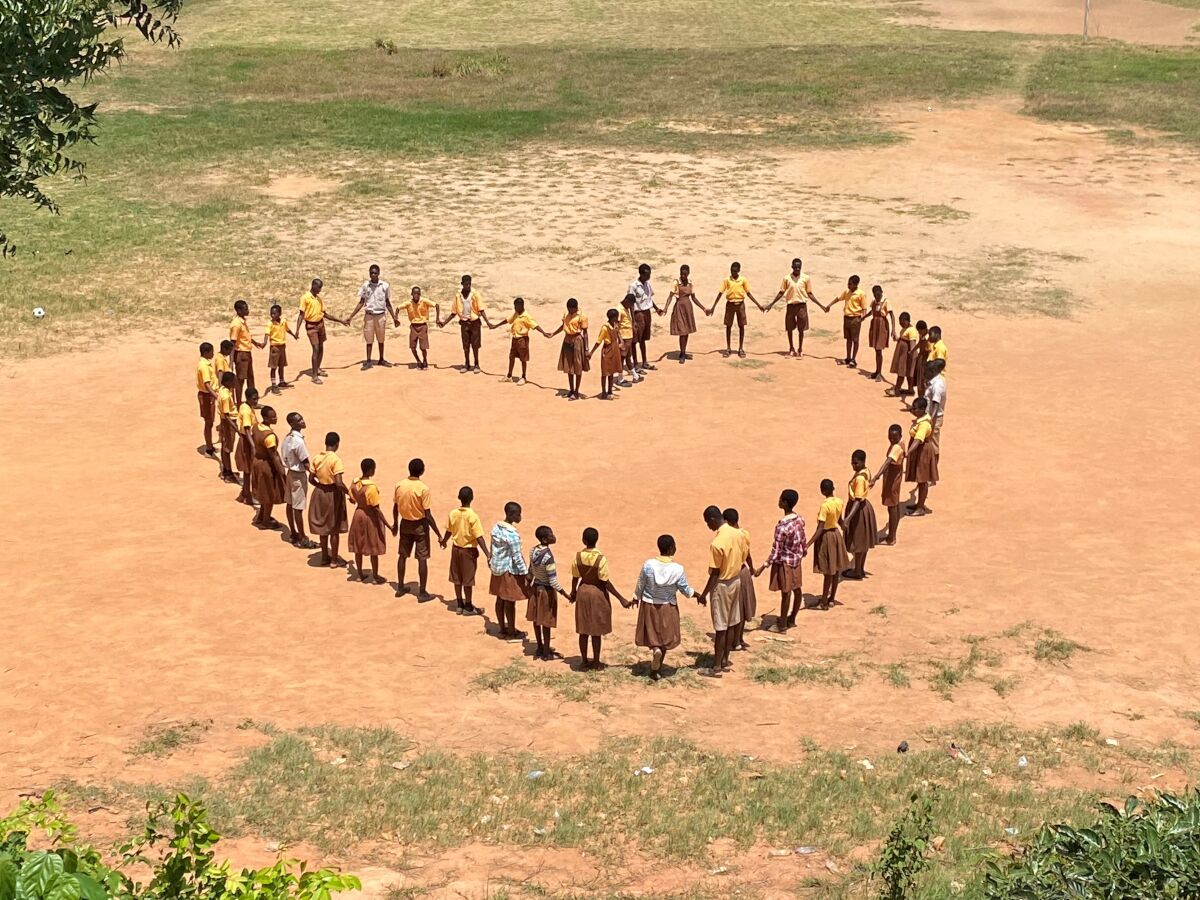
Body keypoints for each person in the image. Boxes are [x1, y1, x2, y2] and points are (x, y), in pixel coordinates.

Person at [694, 505, 745, 677]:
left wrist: (703, 594)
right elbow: (744, 555)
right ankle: (724, 659)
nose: (708, 526)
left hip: (722, 585)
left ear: (713, 520)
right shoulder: (739, 533)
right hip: (736, 580)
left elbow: (715, 573)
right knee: (732, 622)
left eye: (707, 523)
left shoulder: (717, 543)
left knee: (721, 626)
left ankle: (716, 668)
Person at [633, 534, 694, 680]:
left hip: (649, 604)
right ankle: (657, 668)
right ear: (672, 548)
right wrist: (696, 595)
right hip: (668, 607)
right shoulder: (677, 569)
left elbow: (641, 584)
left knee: (652, 634)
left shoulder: (648, 565)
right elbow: (684, 588)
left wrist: (636, 597)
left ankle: (655, 650)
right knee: (665, 637)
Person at [570, 527, 628, 670]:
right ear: (597, 540)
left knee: (583, 630)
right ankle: (596, 662)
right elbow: (605, 581)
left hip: (582, 592)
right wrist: (621, 598)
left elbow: (575, 577)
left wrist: (573, 593)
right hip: (597, 594)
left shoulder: (578, 556)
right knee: (596, 632)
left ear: (583, 540)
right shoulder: (601, 559)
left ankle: (584, 661)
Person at [393, 457, 442, 600]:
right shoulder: (423, 489)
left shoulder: (399, 485)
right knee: (422, 558)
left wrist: (395, 523)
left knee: (402, 555)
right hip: (420, 526)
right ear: (421, 471)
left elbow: (395, 507)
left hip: (404, 524)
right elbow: (428, 514)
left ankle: (400, 587)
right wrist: (438, 534)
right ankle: (422, 592)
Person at [759, 489, 806, 632]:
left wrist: (763, 566)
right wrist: (802, 552)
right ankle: (792, 619)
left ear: (785, 503)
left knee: (786, 593)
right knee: (797, 589)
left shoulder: (782, 527)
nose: (778, 500)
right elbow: (802, 540)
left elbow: (776, 551)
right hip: (796, 561)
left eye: (780, 499)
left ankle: (782, 625)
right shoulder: (799, 520)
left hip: (785, 562)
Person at [440, 486, 490, 615]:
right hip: (468, 551)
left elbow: (448, 531)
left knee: (457, 578)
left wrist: (444, 541)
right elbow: (478, 536)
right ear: (472, 498)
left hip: (455, 550)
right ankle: (468, 606)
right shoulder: (473, 516)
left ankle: (459, 604)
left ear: (459, 498)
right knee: (468, 580)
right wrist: (487, 553)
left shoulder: (453, 513)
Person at [528, 525, 570, 661]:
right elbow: (553, 581)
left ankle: (540, 646)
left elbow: (530, 571)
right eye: (551, 535)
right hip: (546, 591)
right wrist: (566, 594)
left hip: (535, 588)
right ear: (545, 539)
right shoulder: (548, 557)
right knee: (546, 621)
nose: (554, 536)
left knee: (536, 619)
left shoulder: (533, 551)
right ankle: (547, 652)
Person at [344, 264, 398, 369]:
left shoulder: (385, 286)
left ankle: (381, 359)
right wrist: (351, 316)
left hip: (380, 315)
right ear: (369, 273)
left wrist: (394, 317)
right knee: (369, 339)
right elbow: (361, 302)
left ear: (378, 273)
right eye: (371, 273)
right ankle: (368, 361)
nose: (373, 275)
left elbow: (387, 302)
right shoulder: (365, 286)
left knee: (381, 338)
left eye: (375, 273)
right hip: (369, 316)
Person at [308, 431, 349, 567]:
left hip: (320, 493)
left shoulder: (317, 458)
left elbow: (311, 478)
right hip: (333, 494)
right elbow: (338, 482)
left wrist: (320, 486)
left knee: (323, 527)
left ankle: (325, 556)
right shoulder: (335, 460)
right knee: (334, 528)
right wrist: (349, 493)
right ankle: (334, 560)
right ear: (337, 444)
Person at [489, 501, 528, 639]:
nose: (520, 516)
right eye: (518, 514)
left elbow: (492, 547)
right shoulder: (512, 534)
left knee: (499, 599)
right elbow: (517, 557)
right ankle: (511, 631)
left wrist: (491, 561)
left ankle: (502, 628)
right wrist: (525, 573)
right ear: (511, 515)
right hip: (508, 570)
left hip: (496, 567)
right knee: (510, 602)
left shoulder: (496, 528)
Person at [295, 278, 347, 385]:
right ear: (313, 285)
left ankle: (317, 368)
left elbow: (325, 314)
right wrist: (297, 330)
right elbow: (301, 314)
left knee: (321, 347)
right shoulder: (305, 298)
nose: (320, 290)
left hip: (320, 324)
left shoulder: (319, 299)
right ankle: (314, 376)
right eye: (319, 287)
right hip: (311, 326)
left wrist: (341, 321)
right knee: (316, 348)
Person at [348, 458, 391, 583]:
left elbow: (352, 499)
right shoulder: (371, 487)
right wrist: (388, 525)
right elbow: (376, 508)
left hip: (358, 514)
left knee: (358, 545)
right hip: (369, 516)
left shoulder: (355, 483)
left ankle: (359, 574)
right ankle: (375, 576)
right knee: (373, 545)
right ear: (371, 470)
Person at [489, 297, 549, 384]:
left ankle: (524, 377)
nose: (515, 308)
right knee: (511, 357)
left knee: (523, 359)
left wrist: (544, 332)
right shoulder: (516, 314)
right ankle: (509, 376)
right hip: (514, 339)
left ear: (521, 305)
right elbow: (507, 320)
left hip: (522, 340)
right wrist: (496, 325)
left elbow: (535, 325)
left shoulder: (527, 316)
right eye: (515, 306)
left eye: (516, 306)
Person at [767, 258, 818, 358]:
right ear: (792, 267)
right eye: (795, 267)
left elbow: (810, 293)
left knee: (801, 329)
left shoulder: (806, 278)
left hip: (802, 306)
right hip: (791, 306)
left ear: (801, 267)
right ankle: (791, 348)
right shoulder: (787, 278)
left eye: (799, 267)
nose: (797, 269)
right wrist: (771, 304)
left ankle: (800, 349)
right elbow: (781, 292)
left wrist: (821, 306)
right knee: (789, 328)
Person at [811, 479, 850, 609]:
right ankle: (832, 598)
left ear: (823, 491)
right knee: (835, 570)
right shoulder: (839, 501)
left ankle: (823, 602)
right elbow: (840, 520)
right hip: (836, 535)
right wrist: (844, 528)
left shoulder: (824, 506)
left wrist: (808, 543)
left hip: (826, 537)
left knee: (828, 571)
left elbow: (820, 527)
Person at [723, 508, 757, 652]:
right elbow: (748, 554)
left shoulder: (730, 536)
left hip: (734, 572)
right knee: (743, 608)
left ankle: (734, 641)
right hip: (745, 571)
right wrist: (752, 568)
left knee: (735, 609)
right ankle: (739, 638)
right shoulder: (745, 534)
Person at [441, 274, 490, 373]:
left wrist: (488, 322)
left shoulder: (475, 294)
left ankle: (476, 364)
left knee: (475, 345)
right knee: (466, 345)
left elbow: (481, 310)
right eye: (466, 284)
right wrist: (444, 323)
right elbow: (453, 312)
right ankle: (467, 364)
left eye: (469, 284)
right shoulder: (458, 296)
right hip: (464, 323)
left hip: (475, 323)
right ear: (462, 284)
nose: (468, 286)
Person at [281, 412, 316, 548]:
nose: (302, 421)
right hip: (298, 476)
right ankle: (302, 538)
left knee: (290, 504)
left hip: (290, 473)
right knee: (298, 507)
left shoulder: (287, 438)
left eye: (301, 418)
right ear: (292, 423)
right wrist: (316, 477)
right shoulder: (298, 441)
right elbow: (306, 463)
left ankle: (294, 533)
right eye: (299, 420)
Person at [816, 275, 866, 368]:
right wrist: (829, 305)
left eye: (850, 284)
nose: (848, 285)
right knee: (848, 339)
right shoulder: (847, 292)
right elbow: (838, 298)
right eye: (848, 283)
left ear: (855, 285)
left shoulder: (861, 294)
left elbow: (864, 308)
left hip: (855, 318)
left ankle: (853, 360)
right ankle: (848, 358)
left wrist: (862, 318)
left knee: (855, 340)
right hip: (847, 317)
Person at [713, 261, 761, 358]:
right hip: (730, 304)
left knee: (741, 326)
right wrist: (713, 307)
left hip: (740, 304)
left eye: (735, 271)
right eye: (732, 271)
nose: (733, 273)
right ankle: (728, 348)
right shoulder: (727, 280)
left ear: (739, 271)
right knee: (728, 326)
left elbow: (748, 293)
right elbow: (720, 293)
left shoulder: (743, 280)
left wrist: (758, 304)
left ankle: (741, 348)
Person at [250, 405, 287, 529]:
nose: (276, 418)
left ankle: (261, 515)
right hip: (266, 466)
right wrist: (281, 471)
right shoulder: (269, 436)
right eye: (273, 417)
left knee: (262, 491)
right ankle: (266, 521)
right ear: (265, 418)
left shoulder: (256, 427)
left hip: (257, 462)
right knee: (269, 493)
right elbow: (273, 456)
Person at [842, 450, 877, 580]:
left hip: (858, 510)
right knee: (863, 542)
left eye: (856, 463)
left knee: (857, 541)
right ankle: (860, 568)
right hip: (864, 508)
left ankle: (857, 571)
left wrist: (848, 519)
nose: (853, 466)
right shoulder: (865, 471)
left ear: (863, 462)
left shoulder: (860, 478)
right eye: (852, 463)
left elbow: (857, 500)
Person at [870, 424, 906, 545]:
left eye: (894, 438)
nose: (892, 440)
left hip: (893, 478)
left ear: (900, 436)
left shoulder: (896, 448)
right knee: (894, 506)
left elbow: (887, 462)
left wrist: (876, 477)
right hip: (895, 475)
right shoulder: (900, 443)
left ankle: (891, 537)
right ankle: (892, 535)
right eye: (890, 437)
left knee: (892, 507)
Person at [549, 297, 589, 400]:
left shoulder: (582, 316)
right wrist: (554, 333)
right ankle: (571, 389)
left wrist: (586, 348)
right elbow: (563, 326)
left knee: (578, 365)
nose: (569, 311)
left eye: (571, 309)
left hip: (577, 340)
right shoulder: (566, 315)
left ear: (575, 308)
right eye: (568, 309)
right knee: (569, 366)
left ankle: (576, 391)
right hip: (567, 340)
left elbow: (585, 333)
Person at [905, 397, 938, 516]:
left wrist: (908, 452)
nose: (913, 411)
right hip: (920, 450)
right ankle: (919, 503)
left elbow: (918, 440)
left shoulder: (923, 424)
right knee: (920, 480)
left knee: (922, 480)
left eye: (915, 409)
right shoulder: (922, 418)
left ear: (922, 409)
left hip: (922, 452)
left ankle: (920, 508)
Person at [662, 264, 699, 364]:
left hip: (688, 308)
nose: (682, 276)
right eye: (681, 274)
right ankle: (682, 353)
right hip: (679, 308)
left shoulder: (690, 283)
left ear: (688, 274)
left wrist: (703, 308)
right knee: (682, 331)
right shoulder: (676, 283)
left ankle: (683, 351)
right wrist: (665, 308)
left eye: (684, 274)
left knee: (686, 331)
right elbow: (670, 296)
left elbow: (694, 298)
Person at [229, 299, 263, 402]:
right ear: (239, 310)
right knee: (240, 380)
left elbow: (245, 337)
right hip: (241, 354)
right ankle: (239, 403)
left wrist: (255, 343)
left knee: (250, 378)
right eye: (245, 309)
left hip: (247, 353)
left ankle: (252, 401)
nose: (248, 310)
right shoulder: (236, 324)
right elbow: (233, 343)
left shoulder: (242, 321)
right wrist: (231, 362)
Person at [588, 308, 623, 400]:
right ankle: (604, 392)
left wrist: (621, 342)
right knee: (605, 373)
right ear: (612, 318)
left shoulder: (615, 324)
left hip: (615, 350)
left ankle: (610, 391)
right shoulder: (605, 328)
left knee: (611, 372)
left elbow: (618, 333)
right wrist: (591, 352)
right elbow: (598, 342)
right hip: (607, 351)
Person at [234, 387, 260, 506]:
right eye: (254, 399)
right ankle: (248, 496)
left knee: (248, 470)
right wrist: (253, 446)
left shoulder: (247, 407)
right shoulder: (246, 411)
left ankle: (244, 493)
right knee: (248, 470)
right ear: (248, 398)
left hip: (248, 441)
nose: (256, 401)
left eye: (257, 398)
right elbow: (247, 430)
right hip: (247, 442)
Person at [628, 263, 655, 374]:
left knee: (643, 339)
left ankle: (644, 361)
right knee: (635, 341)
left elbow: (649, 299)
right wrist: (633, 320)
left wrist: (656, 308)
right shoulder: (633, 286)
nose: (649, 277)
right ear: (641, 274)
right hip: (638, 314)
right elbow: (630, 303)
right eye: (647, 275)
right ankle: (635, 364)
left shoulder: (647, 285)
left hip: (647, 312)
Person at [403, 285, 438, 371]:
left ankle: (425, 360)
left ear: (420, 294)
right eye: (414, 293)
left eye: (418, 293)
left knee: (423, 347)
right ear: (412, 294)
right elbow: (398, 308)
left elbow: (436, 305)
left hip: (422, 326)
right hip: (413, 327)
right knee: (412, 347)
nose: (416, 295)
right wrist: (395, 317)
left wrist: (437, 319)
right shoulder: (408, 303)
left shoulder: (424, 301)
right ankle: (418, 361)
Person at [265, 302, 298, 392]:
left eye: (274, 313)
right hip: (274, 347)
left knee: (281, 365)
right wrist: (264, 343)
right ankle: (273, 384)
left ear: (279, 314)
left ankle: (282, 381)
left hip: (282, 346)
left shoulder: (283, 321)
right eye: (271, 313)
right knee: (273, 367)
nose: (272, 315)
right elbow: (267, 334)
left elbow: (287, 329)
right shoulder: (270, 324)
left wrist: (294, 335)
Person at [866, 285, 895, 381]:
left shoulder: (886, 302)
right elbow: (871, 311)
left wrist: (893, 330)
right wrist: (863, 318)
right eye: (875, 295)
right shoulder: (874, 302)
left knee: (879, 349)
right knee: (876, 349)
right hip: (874, 325)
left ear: (882, 292)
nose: (877, 297)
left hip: (882, 326)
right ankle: (877, 371)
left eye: (878, 295)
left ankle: (879, 373)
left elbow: (892, 315)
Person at [196, 342, 218, 458]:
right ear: (206, 352)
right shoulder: (204, 366)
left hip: (208, 396)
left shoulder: (205, 363)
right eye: (211, 351)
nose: (213, 353)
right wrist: (215, 396)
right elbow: (207, 384)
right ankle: (209, 449)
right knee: (208, 422)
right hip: (206, 396)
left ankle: (210, 445)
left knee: (210, 422)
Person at [216, 371, 238, 483]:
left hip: (227, 422)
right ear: (229, 382)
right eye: (234, 381)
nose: (235, 383)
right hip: (229, 423)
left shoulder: (224, 391)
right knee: (227, 448)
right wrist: (236, 428)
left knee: (225, 446)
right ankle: (228, 473)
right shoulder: (225, 396)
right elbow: (226, 414)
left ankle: (226, 469)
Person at [889, 312, 918, 397]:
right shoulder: (904, 330)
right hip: (903, 353)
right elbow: (903, 339)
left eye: (903, 323)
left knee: (902, 372)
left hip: (907, 355)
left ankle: (897, 389)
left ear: (908, 321)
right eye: (900, 323)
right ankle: (910, 389)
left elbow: (912, 345)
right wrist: (897, 338)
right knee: (908, 373)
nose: (901, 324)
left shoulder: (912, 330)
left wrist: (911, 355)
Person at [924, 357, 947, 464]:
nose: (924, 374)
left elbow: (936, 405)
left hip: (934, 418)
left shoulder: (937, 385)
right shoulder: (933, 382)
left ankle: (932, 475)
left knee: (933, 446)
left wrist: (930, 422)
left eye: (926, 372)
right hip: (930, 417)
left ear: (932, 371)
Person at [617, 293, 640, 384]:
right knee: (623, 356)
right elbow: (616, 325)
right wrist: (620, 340)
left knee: (627, 356)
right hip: (624, 336)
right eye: (630, 304)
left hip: (628, 336)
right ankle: (620, 377)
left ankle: (635, 375)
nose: (631, 307)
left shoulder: (625, 308)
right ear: (627, 301)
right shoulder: (619, 309)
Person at [911, 320, 930, 397]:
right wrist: (912, 351)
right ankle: (920, 398)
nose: (919, 333)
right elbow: (919, 343)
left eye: (920, 331)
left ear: (924, 329)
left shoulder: (929, 336)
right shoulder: (921, 335)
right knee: (919, 380)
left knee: (923, 380)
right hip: (920, 359)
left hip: (926, 360)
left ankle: (924, 398)